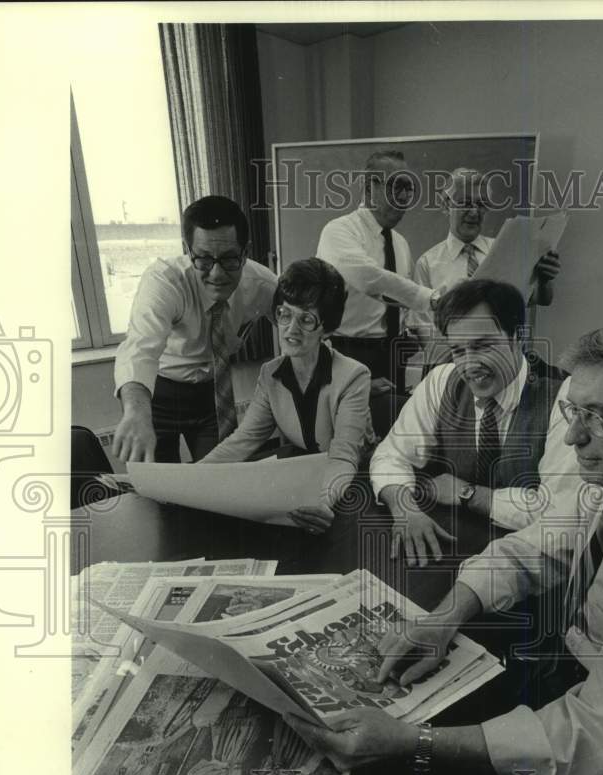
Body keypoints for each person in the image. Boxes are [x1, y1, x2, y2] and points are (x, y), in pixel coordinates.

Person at [287, 318, 603, 775]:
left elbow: (595, 735)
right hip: (592, 686)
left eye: (598, 417)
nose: (571, 438)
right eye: (572, 411)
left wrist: (414, 744)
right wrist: (444, 617)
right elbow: (535, 548)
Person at [370, 278, 578, 565]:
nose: (469, 364)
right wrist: (406, 510)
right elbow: (390, 454)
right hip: (454, 547)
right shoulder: (442, 380)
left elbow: (561, 512)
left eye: (483, 346)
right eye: (458, 350)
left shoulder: (564, 396)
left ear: (518, 336)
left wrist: (467, 494)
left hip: (531, 560)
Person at [201, 258, 373, 534]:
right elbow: (243, 441)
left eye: (306, 319)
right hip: (306, 483)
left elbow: (343, 458)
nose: (291, 329)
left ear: (326, 328)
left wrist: (320, 502)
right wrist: (190, 477)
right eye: (284, 314)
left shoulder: (353, 376)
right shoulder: (271, 374)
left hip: (350, 489)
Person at [112, 195, 277, 463]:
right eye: (204, 259)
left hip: (213, 393)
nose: (217, 274)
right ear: (189, 251)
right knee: (160, 486)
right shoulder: (164, 282)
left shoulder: (263, 284)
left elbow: (300, 325)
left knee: (222, 479)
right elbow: (139, 350)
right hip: (158, 393)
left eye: (229, 259)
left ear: (245, 252)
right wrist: (135, 412)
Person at [316, 148, 443, 391]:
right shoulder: (339, 231)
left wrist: (437, 354)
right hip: (349, 354)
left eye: (409, 189)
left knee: (394, 423)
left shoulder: (401, 243)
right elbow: (369, 278)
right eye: (396, 187)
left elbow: (405, 308)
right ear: (368, 189)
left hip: (393, 353)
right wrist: (431, 297)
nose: (404, 197)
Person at [408, 167, 561, 367]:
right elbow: (421, 327)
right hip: (449, 364)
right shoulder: (427, 263)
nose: (474, 212)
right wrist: (460, 359)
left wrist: (544, 279)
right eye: (465, 203)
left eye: (481, 204)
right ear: (446, 205)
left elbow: (538, 299)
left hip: (502, 361)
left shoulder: (504, 249)